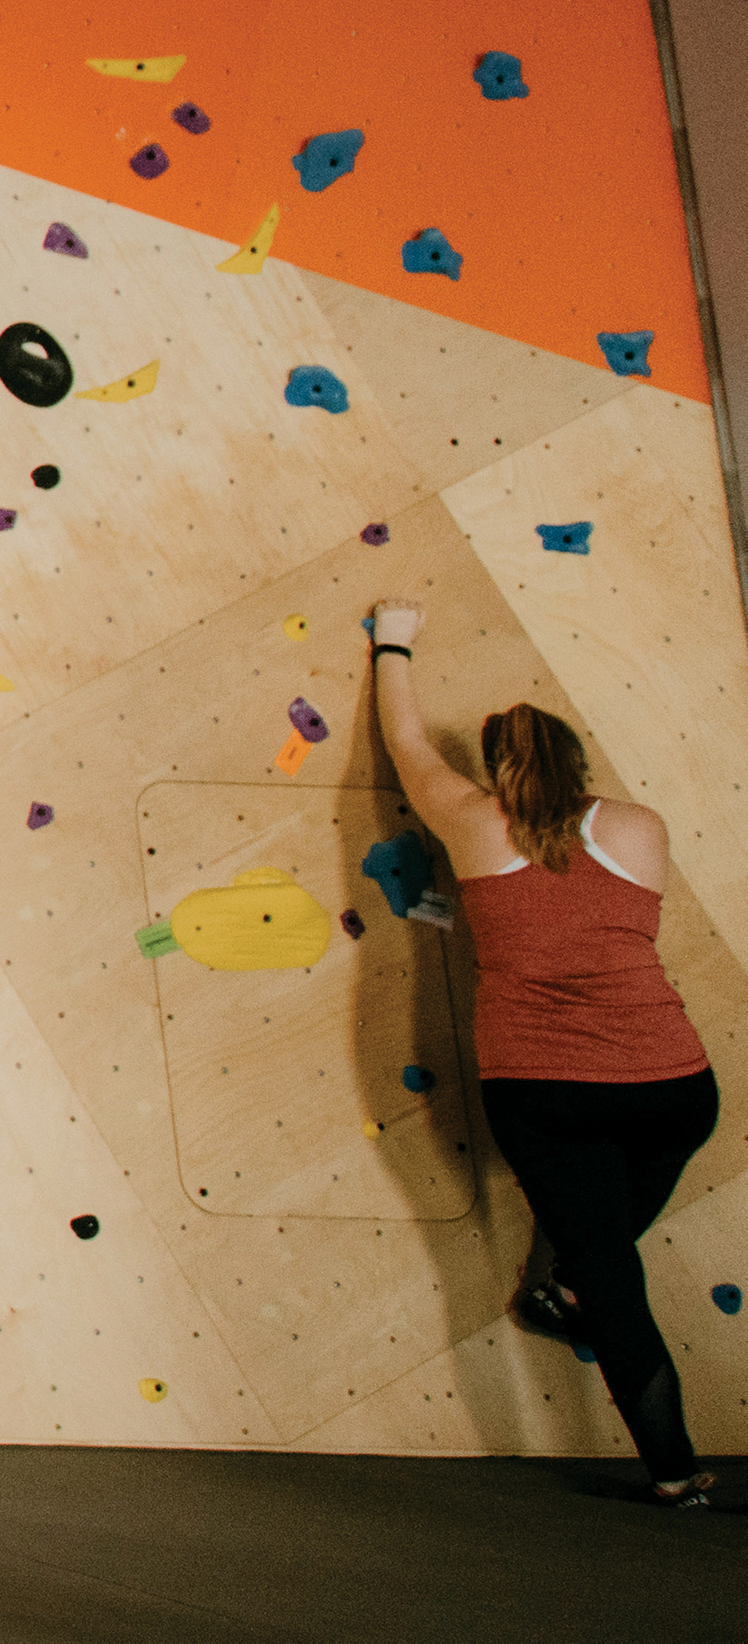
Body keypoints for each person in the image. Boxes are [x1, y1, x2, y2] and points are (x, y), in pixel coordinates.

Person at [367, 598, 716, 1504]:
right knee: (600, 1254)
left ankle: (675, 1472)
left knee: (610, 1277)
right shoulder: (641, 828)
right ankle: (560, 1288)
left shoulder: (472, 821)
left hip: (543, 1089)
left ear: (494, 771)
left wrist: (393, 639)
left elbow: (406, 742)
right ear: (579, 761)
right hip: (671, 1087)